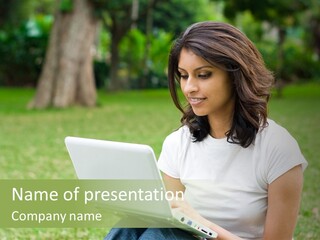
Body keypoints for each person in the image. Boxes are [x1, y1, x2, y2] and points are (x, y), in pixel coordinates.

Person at [105, 21, 307, 240]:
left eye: (203, 75)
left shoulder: (277, 148)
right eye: (183, 75)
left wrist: (202, 224)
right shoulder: (178, 143)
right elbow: (172, 217)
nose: (189, 87)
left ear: (234, 76)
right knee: (132, 224)